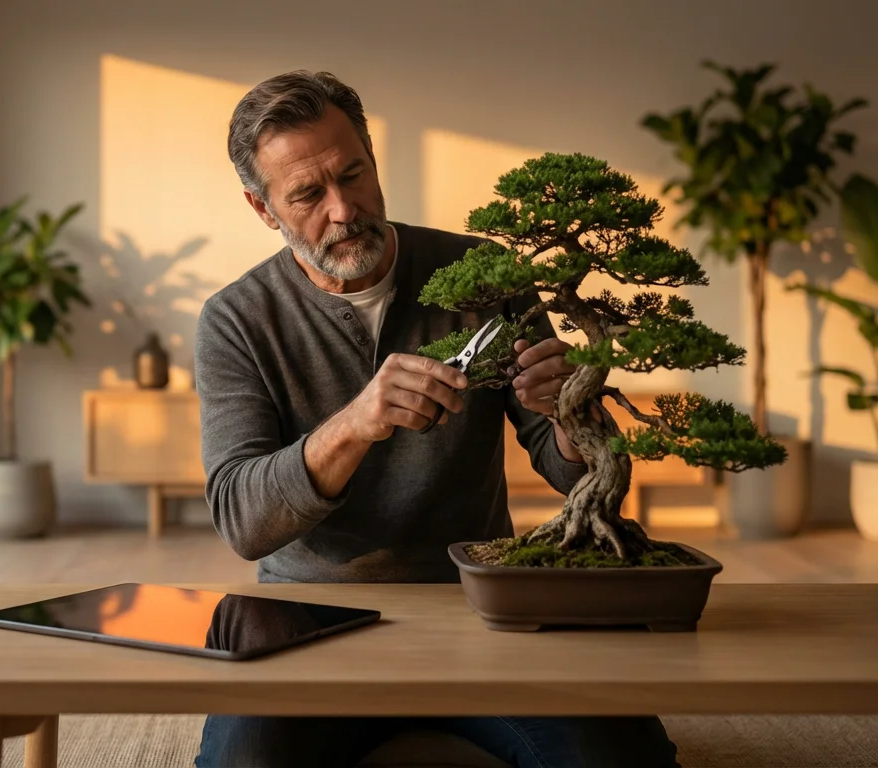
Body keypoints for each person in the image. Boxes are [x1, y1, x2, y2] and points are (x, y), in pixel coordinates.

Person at [191, 70, 680, 768]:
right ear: (262, 208)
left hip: (481, 598)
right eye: (307, 194)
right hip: (306, 616)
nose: (343, 209)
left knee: (620, 756)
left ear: (371, 155)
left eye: (353, 174)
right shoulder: (237, 320)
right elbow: (242, 520)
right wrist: (356, 423)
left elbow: (572, 467)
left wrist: (566, 409)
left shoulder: (482, 271)